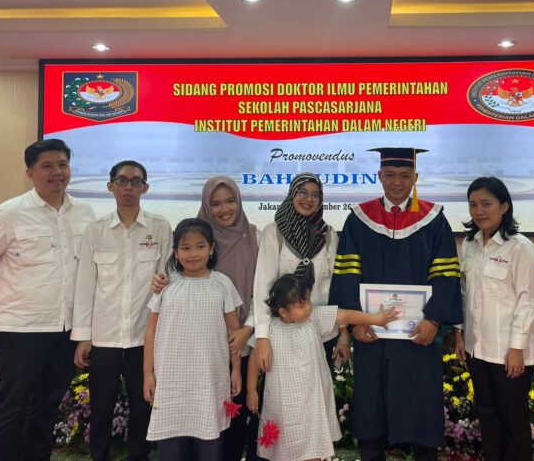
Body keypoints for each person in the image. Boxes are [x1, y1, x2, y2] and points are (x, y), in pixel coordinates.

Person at [328, 147, 462, 461]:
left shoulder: (433, 219)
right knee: (371, 410)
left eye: (404, 175)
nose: (397, 182)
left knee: (421, 410)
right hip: (372, 336)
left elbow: (446, 274)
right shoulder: (360, 219)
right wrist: (355, 323)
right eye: (390, 175)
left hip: (419, 337)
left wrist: (434, 320)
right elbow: (347, 274)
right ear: (379, 176)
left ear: (415, 177)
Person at [0, 138, 95, 461]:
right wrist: (5, 304)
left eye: (62, 165)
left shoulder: (85, 212)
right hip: (20, 331)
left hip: (65, 331)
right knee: (10, 410)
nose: (57, 172)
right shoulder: (10, 212)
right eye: (47, 166)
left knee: (46, 409)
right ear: (30, 172)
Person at [152, 175, 262, 461]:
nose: (224, 209)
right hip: (192, 353)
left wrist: (248, 329)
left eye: (230, 201)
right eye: (215, 203)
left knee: (230, 423)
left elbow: (260, 291)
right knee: (190, 422)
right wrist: (160, 280)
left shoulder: (254, 237)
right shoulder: (194, 237)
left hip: (239, 343)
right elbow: (168, 278)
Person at [71, 160, 172, 461]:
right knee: (101, 408)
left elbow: (168, 280)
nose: (128, 187)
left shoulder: (160, 228)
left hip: (144, 338)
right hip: (105, 338)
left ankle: (138, 456)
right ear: (110, 186)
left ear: (145, 187)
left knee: (142, 408)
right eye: (122, 180)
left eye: (135, 181)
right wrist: (84, 336)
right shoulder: (96, 231)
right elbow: (85, 286)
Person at [246, 273, 396, 461]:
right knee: (283, 451)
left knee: (314, 449)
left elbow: (344, 314)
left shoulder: (313, 317)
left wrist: (375, 319)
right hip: (282, 405)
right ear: (283, 311)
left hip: (312, 402)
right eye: (301, 305)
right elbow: (254, 358)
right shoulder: (268, 330)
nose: (308, 307)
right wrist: (251, 389)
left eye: (308, 301)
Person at [453, 176, 534, 461]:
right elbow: (464, 293)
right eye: (473, 204)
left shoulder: (520, 247)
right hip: (478, 349)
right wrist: (459, 333)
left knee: (513, 423)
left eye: (486, 204)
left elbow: (529, 301)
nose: (478, 211)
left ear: (504, 207)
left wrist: (516, 348)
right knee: (488, 417)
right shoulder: (470, 244)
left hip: (509, 353)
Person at [143, 218, 243, 459]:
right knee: (171, 445)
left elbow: (234, 332)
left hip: (210, 379)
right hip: (171, 381)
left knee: (209, 442)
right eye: (185, 248)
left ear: (212, 249)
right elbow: (151, 330)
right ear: (176, 252)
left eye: (200, 246)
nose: (193, 253)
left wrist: (236, 369)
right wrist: (148, 373)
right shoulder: (166, 284)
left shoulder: (222, 283)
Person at [252, 172, 341, 373]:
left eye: (315, 195)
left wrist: (342, 332)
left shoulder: (328, 235)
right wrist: (262, 337)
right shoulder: (274, 232)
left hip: (321, 331)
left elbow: (335, 285)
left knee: (319, 387)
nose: (308, 199)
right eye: (302, 192)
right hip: (283, 330)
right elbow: (263, 287)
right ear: (292, 194)